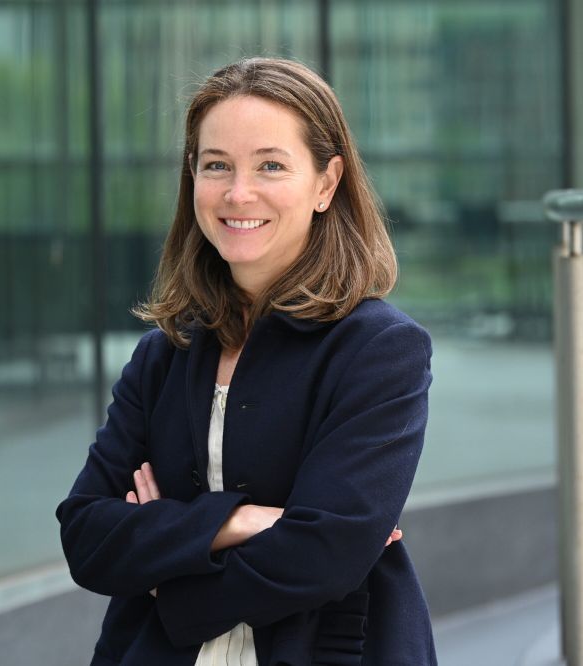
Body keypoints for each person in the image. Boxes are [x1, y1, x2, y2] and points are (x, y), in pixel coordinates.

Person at [56, 57, 436, 666]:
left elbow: (327, 553)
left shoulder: (379, 350)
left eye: (270, 165)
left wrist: (167, 565)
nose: (238, 193)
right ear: (192, 177)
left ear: (327, 183)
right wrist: (239, 522)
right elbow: (86, 535)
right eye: (216, 166)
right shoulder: (163, 354)